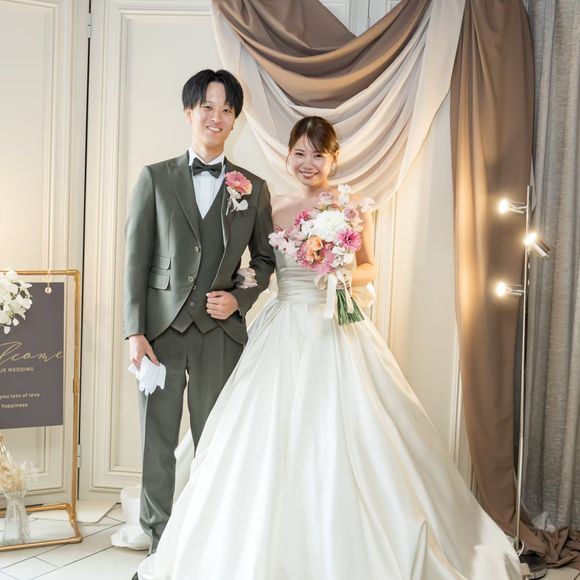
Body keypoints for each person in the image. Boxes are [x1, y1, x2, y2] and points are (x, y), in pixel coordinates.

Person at [137, 116, 521, 579]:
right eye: (299, 153)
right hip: (282, 325)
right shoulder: (269, 204)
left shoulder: (350, 205)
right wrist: (233, 291)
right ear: (287, 156)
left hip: (336, 326)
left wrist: (340, 272)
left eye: (318, 155)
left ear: (333, 159)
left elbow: (370, 267)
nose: (308, 163)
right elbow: (259, 264)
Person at [123, 68, 276, 576]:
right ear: (189, 112)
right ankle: (159, 542)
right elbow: (135, 261)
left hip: (220, 336)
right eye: (207, 107)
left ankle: (211, 540)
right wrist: (135, 332)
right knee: (157, 442)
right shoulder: (154, 177)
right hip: (161, 335)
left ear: (235, 119)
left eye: (227, 109)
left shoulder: (253, 188)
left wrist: (239, 298)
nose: (217, 117)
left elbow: (265, 261)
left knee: (217, 442)